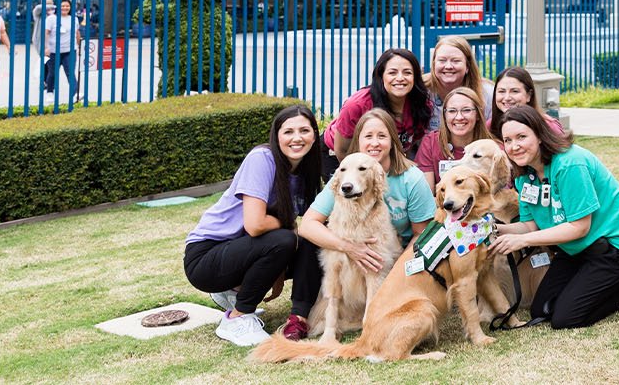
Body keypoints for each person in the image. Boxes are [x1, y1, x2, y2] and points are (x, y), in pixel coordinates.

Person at [491, 105, 619, 328]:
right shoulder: (524, 175)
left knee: (566, 318)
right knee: (542, 309)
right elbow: (530, 226)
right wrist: (496, 229)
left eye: (522, 137)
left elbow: (579, 227)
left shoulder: (570, 163)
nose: (515, 146)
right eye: (508, 140)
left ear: (540, 135)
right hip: (575, 248)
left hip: (616, 246)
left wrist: (522, 241)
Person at [184, 105, 326, 347]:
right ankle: (237, 318)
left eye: (304, 130)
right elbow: (255, 225)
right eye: (288, 131)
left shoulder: (306, 170)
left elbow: (314, 220)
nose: (297, 138)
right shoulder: (263, 158)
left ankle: (298, 316)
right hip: (206, 256)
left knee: (313, 240)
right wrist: (288, 225)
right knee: (286, 238)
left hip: (246, 250)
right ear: (276, 135)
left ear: (314, 134)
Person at [295, 109, 435, 341]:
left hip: (399, 255)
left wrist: (396, 271)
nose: (374, 143)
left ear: (392, 140)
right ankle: (299, 316)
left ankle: (378, 318)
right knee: (314, 243)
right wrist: (348, 247)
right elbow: (308, 225)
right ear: (358, 141)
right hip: (356, 251)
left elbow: (422, 235)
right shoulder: (345, 175)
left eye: (381, 136)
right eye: (368, 136)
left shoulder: (412, 178)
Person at [322, 49, 431, 169]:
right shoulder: (357, 105)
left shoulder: (421, 103)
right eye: (392, 73)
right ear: (381, 75)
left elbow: (408, 146)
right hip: (337, 156)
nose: (400, 78)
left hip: (380, 155)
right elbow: (342, 150)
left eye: (407, 73)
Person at [414, 87, 493, 191]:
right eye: (452, 111)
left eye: (466, 110)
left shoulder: (490, 148)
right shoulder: (431, 143)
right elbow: (426, 195)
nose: (459, 117)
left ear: (478, 114)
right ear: (444, 115)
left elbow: (495, 195)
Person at [424, 35, 487, 130]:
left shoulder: (486, 94)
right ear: (433, 64)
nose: (448, 66)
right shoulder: (420, 90)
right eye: (442, 60)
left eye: (456, 61)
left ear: (467, 66)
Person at [490, 66, 562, 140]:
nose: (507, 98)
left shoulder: (548, 126)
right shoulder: (488, 127)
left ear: (529, 95)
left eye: (515, 91)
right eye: (501, 91)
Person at [42, 0, 83, 100]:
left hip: (70, 50)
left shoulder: (74, 19)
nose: (65, 8)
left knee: (70, 72)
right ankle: (50, 92)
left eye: (67, 6)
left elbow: (77, 33)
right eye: (63, 6)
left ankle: (75, 93)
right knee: (52, 73)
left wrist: (79, 46)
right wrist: (46, 47)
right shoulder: (51, 19)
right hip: (54, 51)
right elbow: (46, 33)